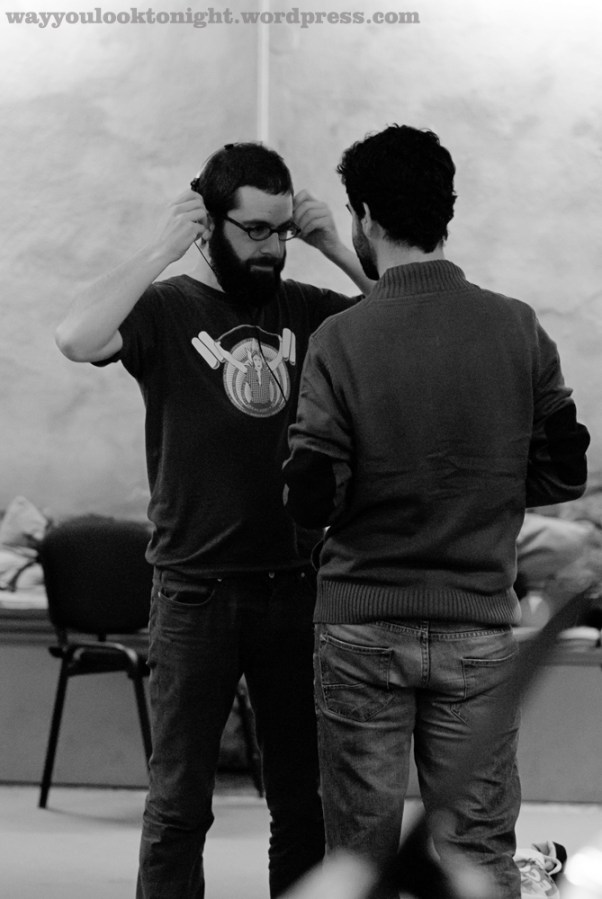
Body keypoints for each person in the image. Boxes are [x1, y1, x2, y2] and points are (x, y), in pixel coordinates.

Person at [55, 142, 373, 899]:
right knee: (178, 806)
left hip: (293, 587)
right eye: (254, 230)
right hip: (193, 593)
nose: (271, 248)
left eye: (281, 230)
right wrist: (162, 246)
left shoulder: (305, 307)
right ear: (208, 223)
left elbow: (410, 324)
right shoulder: (166, 309)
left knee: (303, 802)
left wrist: (334, 247)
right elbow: (75, 337)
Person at [282, 124, 590, 898]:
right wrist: (482, 488)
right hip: (477, 623)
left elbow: (313, 493)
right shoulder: (517, 326)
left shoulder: (339, 338)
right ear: (446, 209)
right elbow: (565, 468)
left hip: (361, 623)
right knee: (478, 851)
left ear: (363, 216)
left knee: (360, 855)